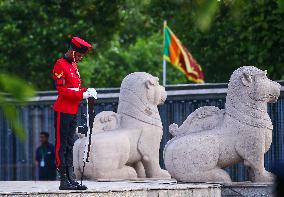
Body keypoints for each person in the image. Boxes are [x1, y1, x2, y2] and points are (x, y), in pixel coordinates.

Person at [52, 36, 97, 190]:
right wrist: (81, 95)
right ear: (72, 51)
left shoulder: (73, 66)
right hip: (62, 111)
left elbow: (75, 88)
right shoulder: (60, 65)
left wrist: (87, 91)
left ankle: (71, 178)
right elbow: (62, 91)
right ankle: (63, 180)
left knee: (70, 144)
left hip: (72, 110)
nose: (80, 58)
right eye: (79, 55)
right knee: (61, 145)